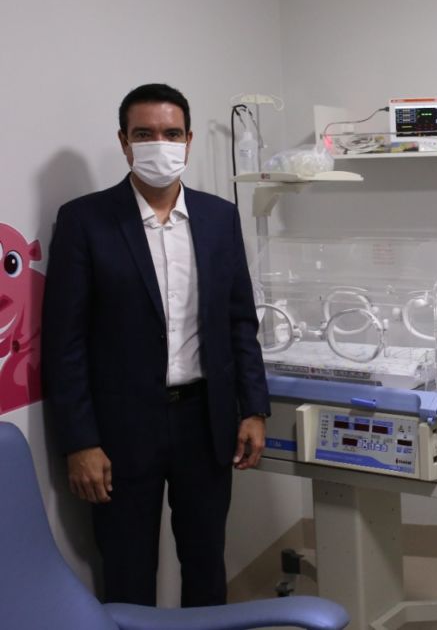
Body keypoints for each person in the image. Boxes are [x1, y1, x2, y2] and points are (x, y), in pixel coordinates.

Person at [42, 83, 270, 607]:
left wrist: (253, 409)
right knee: (127, 569)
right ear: (124, 143)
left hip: (205, 421)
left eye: (171, 133)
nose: (159, 144)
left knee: (206, 561)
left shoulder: (219, 219)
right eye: (144, 134)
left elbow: (240, 322)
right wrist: (80, 442)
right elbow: (65, 342)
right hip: (120, 431)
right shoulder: (85, 221)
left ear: (188, 140)